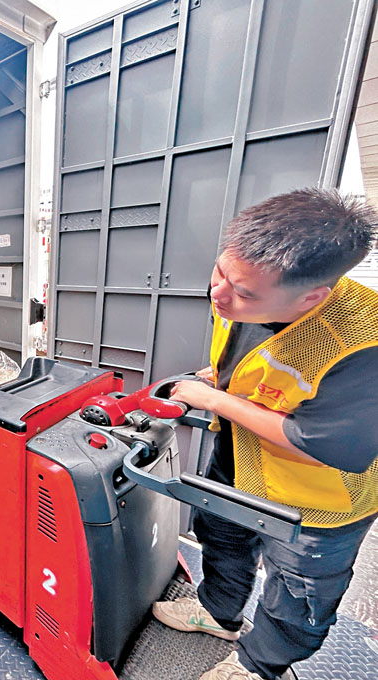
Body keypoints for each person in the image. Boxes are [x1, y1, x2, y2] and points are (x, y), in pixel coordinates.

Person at [151, 188, 378, 680]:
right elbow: (256, 360)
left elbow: (324, 448)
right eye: (220, 272)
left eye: (245, 293)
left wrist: (214, 400)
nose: (219, 294)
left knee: (298, 592)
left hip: (317, 496)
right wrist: (219, 379)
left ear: (311, 297)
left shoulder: (362, 345)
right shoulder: (238, 290)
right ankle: (219, 614)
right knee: (221, 536)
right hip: (242, 456)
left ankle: (257, 666)